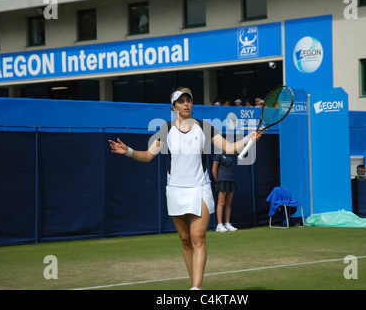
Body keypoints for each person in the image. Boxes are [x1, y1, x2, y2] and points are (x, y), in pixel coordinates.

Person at [108, 87, 261, 290]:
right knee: (185, 239)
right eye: (181, 101)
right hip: (175, 189)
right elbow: (147, 156)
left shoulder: (204, 127)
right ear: (174, 107)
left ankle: (196, 288)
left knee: (198, 236)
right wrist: (127, 151)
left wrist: (248, 139)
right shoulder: (166, 128)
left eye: (188, 100)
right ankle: (195, 285)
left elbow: (229, 148)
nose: (186, 104)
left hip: (200, 187)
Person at [212, 151, 237, 232]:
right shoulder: (218, 155)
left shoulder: (231, 155)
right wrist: (217, 181)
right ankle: (219, 225)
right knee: (221, 203)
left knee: (229, 203)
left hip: (231, 179)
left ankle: (227, 223)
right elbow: (214, 170)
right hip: (222, 180)